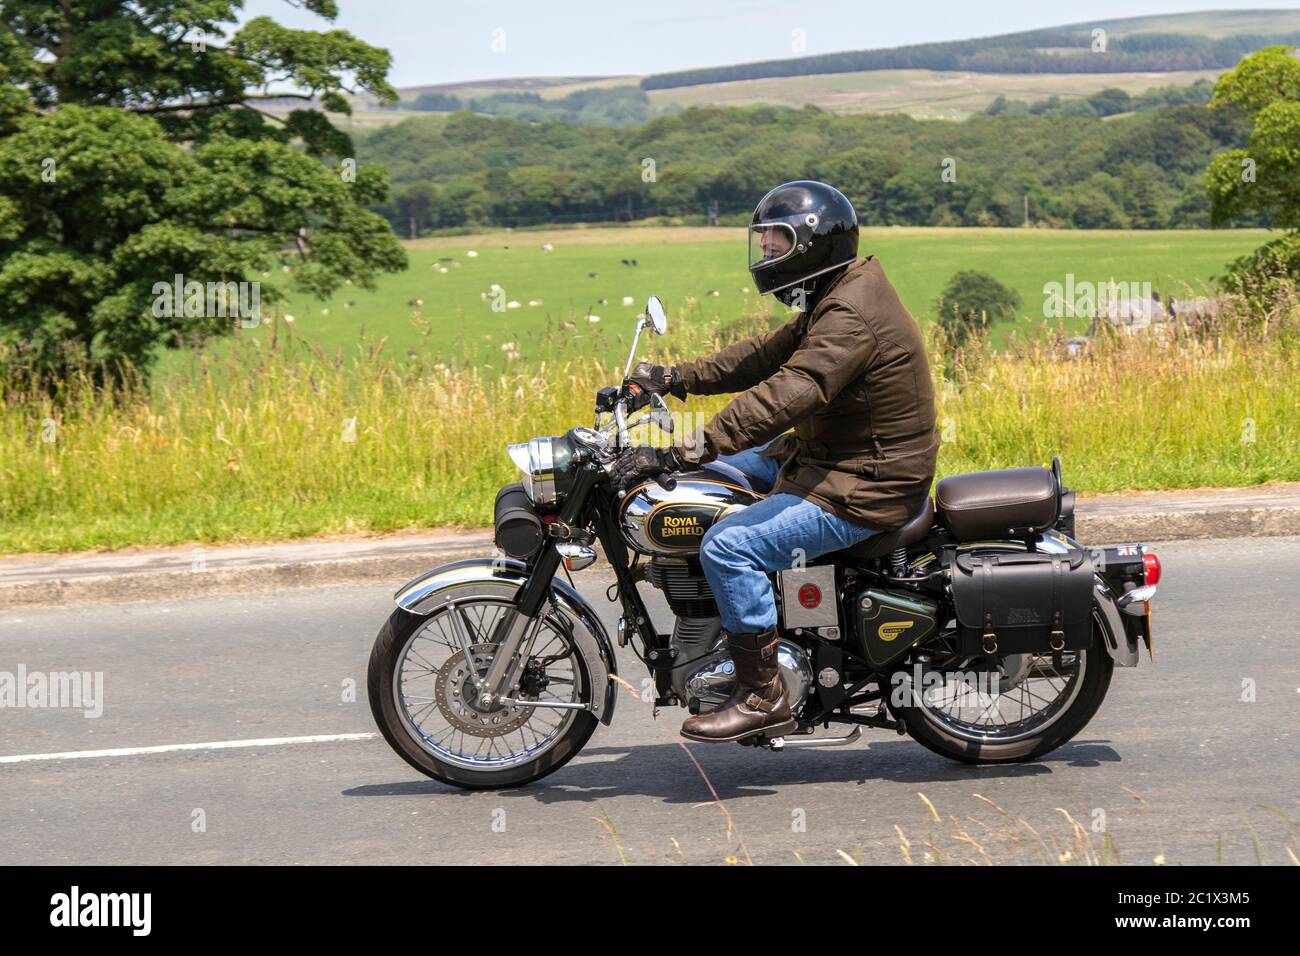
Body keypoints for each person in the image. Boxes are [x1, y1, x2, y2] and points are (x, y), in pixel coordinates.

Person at [613, 180, 939, 743]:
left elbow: (789, 392)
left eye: (776, 243)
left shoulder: (851, 315)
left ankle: (763, 694)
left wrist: (678, 448)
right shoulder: (836, 293)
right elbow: (761, 358)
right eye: (763, 242)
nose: (765, 253)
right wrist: (673, 378)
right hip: (829, 457)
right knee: (713, 479)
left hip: (867, 482)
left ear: (812, 244)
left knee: (728, 544)